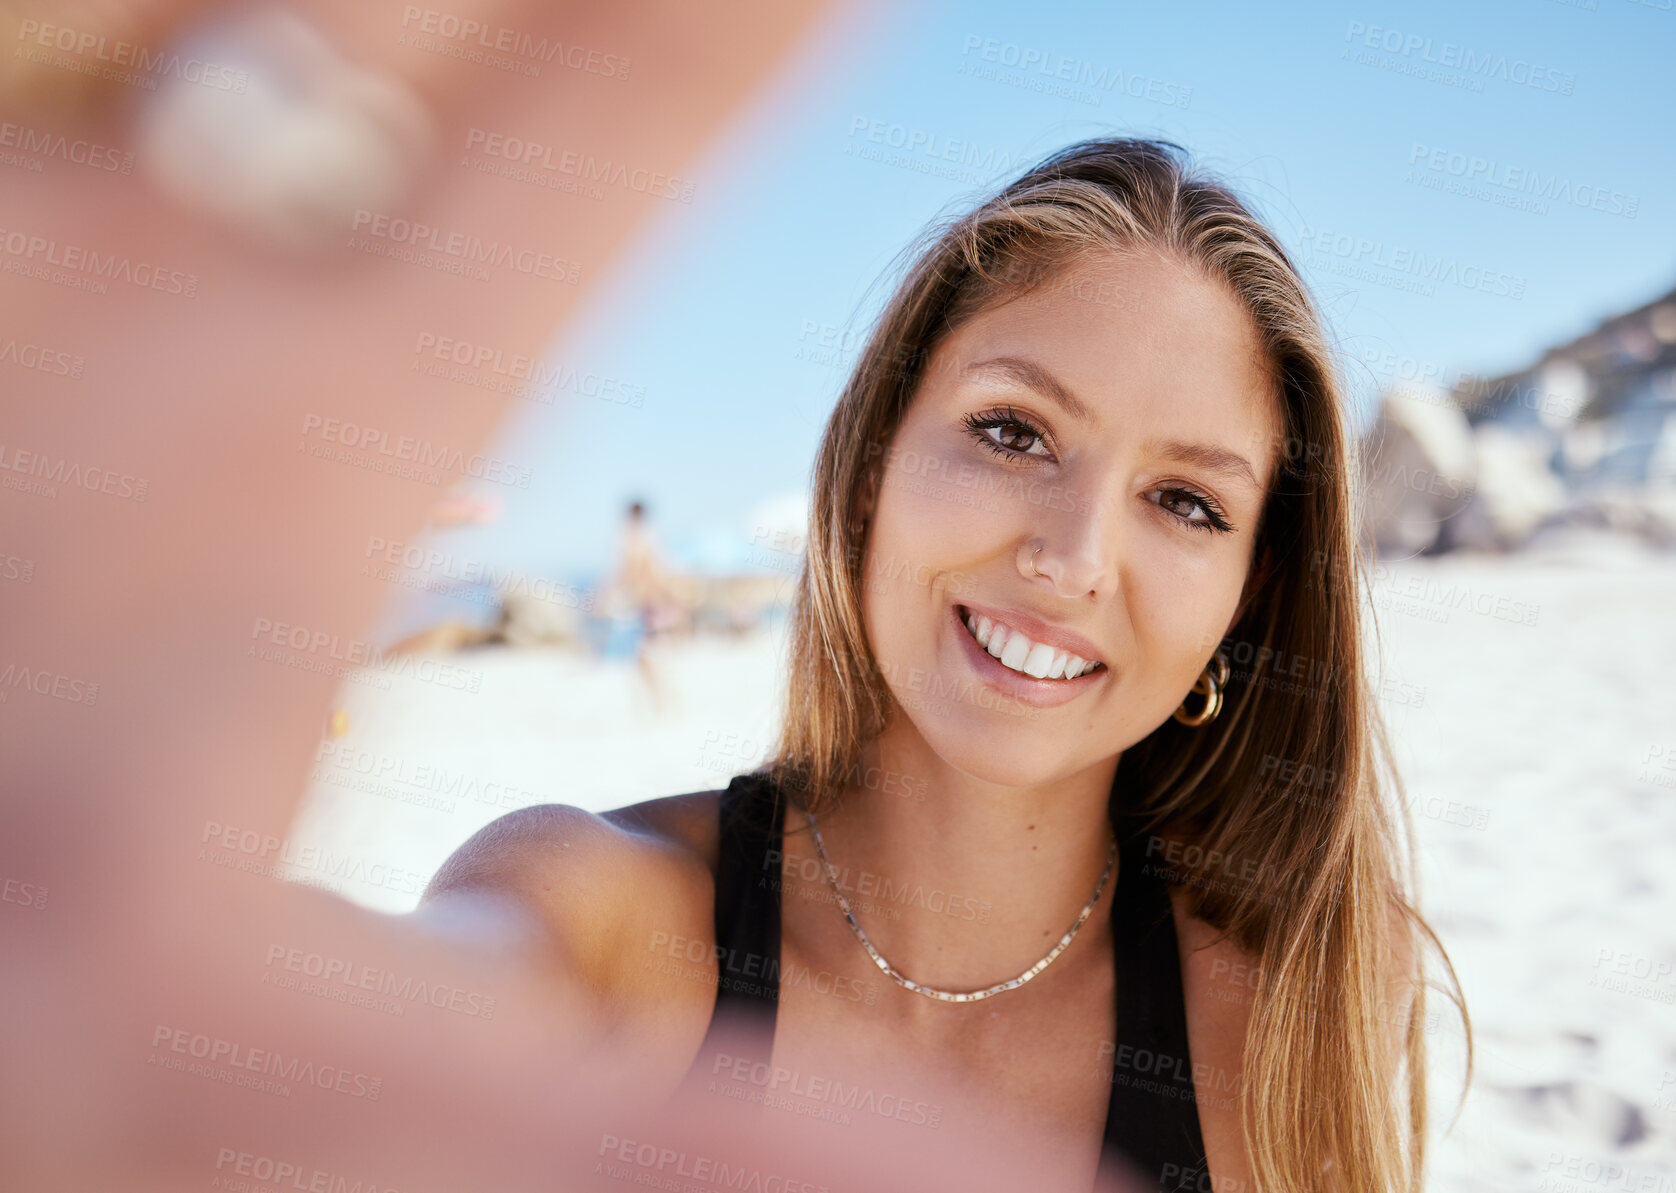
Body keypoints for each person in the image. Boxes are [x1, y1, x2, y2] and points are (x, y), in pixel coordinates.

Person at [421, 138, 1470, 1191]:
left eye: (1185, 501)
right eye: (1012, 432)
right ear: (874, 460)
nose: (1071, 561)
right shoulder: (594, 915)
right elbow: (392, 1013)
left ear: (1245, 594)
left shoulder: (1292, 1000)